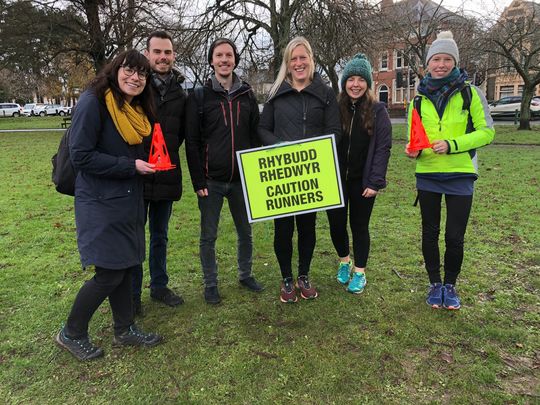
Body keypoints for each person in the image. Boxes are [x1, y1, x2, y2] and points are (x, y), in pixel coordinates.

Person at [56, 50, 163, 361]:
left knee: (127, 267)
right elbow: (81, 156)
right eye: (129, 70)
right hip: (100, 201)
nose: (135, 78)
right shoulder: (94, 102)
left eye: (142, 74)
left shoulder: (134, 110)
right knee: (108, 273)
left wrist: (144, 166)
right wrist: (131, 166)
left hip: (127, 200)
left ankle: (124, 328)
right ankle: (71, 332)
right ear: (116, 70)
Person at [405, 31, 494, 310]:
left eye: (447, 59)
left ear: (454, 62)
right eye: (436, 59)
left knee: (454, 236)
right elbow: (414, 138)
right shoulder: (417, 99)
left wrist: (453, 144)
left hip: (460, 174)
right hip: (428, 174)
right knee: (429, 233)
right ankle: (434, 284)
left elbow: (487, 133)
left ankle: (451, 285)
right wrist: (413, 150)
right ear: (428, 64)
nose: (441, 64)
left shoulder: (470, 93)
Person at [258, 37, 341, 303]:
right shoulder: (276, 93)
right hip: (284, 173)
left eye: (302, 57)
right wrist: (279, 145)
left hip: (312, 173)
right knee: (283, 229)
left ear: (311, 59)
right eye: (293, 59)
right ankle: (286, 278)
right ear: (287, 63)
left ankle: (303, 275)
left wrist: (316, 151)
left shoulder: (325, 93)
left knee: (307, 227)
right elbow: (262, 129)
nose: (298, 63)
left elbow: (334, 131)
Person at [185, 38, 263, 304]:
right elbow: (192, 142)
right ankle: (210, 284)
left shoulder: (247, 94)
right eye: (219, 55)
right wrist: (198, 180)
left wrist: (256, 171)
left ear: (235, 60)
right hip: (211, 180)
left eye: (228, 55)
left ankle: (245, 274)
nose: (224, 60)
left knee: (246, 232)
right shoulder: (199, 96)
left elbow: (255, 135)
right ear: (211, 60)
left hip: (241, 179)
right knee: (209, 235)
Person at [327, 54, 392, 294]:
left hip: (363, 182)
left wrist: (375, 181)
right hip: (335, 181)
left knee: (359, 226)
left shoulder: (378, 111)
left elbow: (383, 149)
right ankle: (344, 261)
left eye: (360, 79)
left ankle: (360, 271)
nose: (355, 84)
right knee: (336, 225)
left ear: (368, 83)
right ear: (344, 82)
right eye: (351, 79)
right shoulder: (334, 109)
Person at [131, 31, 186, 315]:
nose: (162, 57)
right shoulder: (135, 86)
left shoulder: (181, 92)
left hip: (166, 175)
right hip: (138, 175)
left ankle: (159, 286)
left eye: (167, 52)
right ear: (148, 54)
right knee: (134, 236)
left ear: (173, 55)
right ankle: (132, 293)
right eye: (157, 52)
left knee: (160, 235)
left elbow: (185, 134)